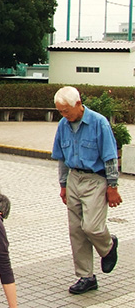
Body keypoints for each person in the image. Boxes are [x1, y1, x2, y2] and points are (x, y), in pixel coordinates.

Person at [52, 86, 121, 295]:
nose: (64, 115)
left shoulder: (99, 123)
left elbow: (110, 157)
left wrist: (113, 186)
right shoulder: (63, 125)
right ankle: (86, 276)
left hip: (95, 179)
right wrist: (63, 185)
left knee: (92, 227)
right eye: (60, 111)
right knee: (76, 230)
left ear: (78, 104)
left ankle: (108, 246)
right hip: (74, 177)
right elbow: (61, 157)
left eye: (66, 111)